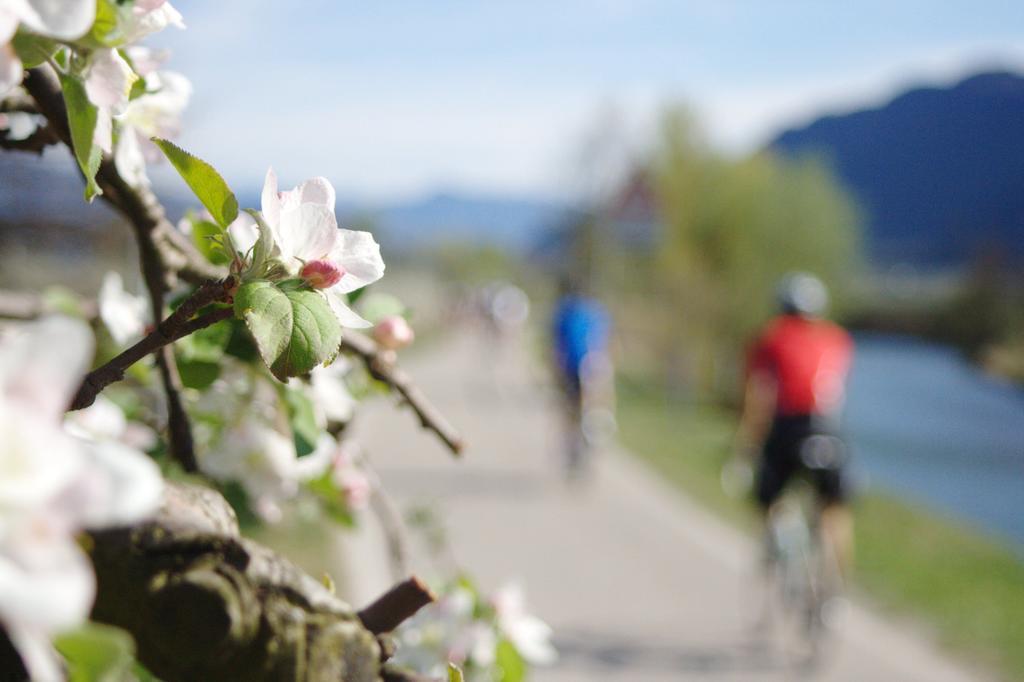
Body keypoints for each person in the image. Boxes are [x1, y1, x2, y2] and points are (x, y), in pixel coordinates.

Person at [735, 272, 855, 577]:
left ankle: (777, 547)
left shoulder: (771, 337)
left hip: (789, 428)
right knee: (834, 509)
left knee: (768, 496)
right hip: (829, 431)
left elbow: (758, 394)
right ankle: (836, 588)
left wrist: (746, 441)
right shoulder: (838, 338)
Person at [551, 277, 614, 479]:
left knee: (570, 410)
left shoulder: (565, 313)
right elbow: (608, 343)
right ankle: (592, 439)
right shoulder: (597, 312)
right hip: (594, 366)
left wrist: (556, 372)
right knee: (594, 406)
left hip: (573, 367)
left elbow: (557, 348)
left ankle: (576, 445)